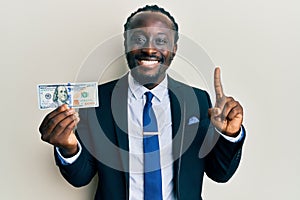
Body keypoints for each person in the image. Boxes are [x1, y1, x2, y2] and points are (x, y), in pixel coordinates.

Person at [39, 5, 245, 200]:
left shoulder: (198, 101)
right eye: (138, 38)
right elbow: (80, 177)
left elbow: (220, 174)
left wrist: (229, 136)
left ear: (174, 48)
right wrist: (68, 147)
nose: (149, 49)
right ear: (126, 44)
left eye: (161, 40)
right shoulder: (97, 101)